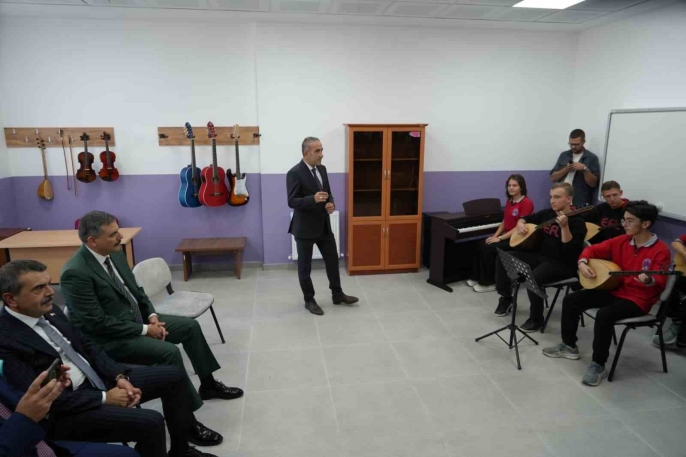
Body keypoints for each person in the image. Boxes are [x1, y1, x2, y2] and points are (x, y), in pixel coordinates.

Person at [0, 260, 218, 457]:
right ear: (11, 299)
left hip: (97, 380)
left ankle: (181, 450)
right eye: (39, 288)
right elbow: (43, 402)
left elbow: (88, 347)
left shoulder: (50, 311)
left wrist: (119, 376)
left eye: (49, 284)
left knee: (174, 376)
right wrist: (105, 398)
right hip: (69, 408)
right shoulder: (5, 340)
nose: (50, 292)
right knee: (151, 422)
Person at [60, 211, 241, 430]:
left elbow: (136, 291)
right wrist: (145, 330)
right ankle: (186, 421)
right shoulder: (75, 273)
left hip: (136, 320)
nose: (120, 237)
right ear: (92, 241)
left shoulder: (114, 254)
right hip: (109, 338)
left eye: (118, 231)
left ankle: (209, 385)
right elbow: (97, 323)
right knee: (169, 352)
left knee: (190, 327)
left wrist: (152, 317)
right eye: (113, 234)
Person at [543, 201, 671, 386]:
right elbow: (591, 249)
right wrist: (582, 262)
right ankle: (569, 346)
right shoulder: (622, 240)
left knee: (604, 315)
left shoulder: (661, 251)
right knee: (572, 300)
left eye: (629, 221)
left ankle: (598, 364)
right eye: (623, 220)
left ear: (645, 224)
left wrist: (649, 281)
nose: (624, 224)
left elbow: (659, 283)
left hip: (639, 300)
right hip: (615, 289)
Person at [493, 183, 587, 333]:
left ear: (569, 199)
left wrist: (564, 227)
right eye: (551, 197)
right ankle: (506, 298)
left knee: (533, 278)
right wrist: (521, 223)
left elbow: (570, 250)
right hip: (541, 257)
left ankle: (536, 319)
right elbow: (526, 218)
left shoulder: (577, 222)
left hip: (563, 264)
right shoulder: (548, 213)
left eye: (557, 197)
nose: (552, 201)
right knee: (504, 257)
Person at [287, 136, 358, 315]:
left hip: (324, 226)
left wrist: (331, 203)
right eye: (317, 151)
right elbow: (292, 201)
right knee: (305, 267)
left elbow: (328, 193)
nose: (321, 154)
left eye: (321, 150)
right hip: (304, 228)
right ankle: (309, 300)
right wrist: (313, 199)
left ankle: (337, 294)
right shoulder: (294, 173)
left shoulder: (322, 169)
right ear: (306, 153)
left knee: (333, 261)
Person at [1, 370, 140, 457]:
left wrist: (49, 393)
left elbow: (88, 348)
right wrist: (25, 418)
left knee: (128, 454)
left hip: (44, 443)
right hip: (20, 441)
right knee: (147, 422)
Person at [468, 174, 534, 293]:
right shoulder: (510, 201)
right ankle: (476, 277)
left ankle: (489, 283)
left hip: (517, 240)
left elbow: (518, 227)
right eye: (509, 185)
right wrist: (495, 236)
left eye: (515, 185)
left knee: (488, 248)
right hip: (506, 236)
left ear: (521, 187)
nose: (511, 188)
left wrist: (500, 238)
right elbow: (504, 221)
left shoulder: (526, 203)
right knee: (481, 243)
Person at [549, 129, 600, 208]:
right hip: (561, 200)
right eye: (571, 144)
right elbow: (553, 177)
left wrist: (584, 168)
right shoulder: (564, 155)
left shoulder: (592, 158)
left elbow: (593, 183)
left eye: (576, 144)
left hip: (580, 201)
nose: (573, 147)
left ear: (583, 142)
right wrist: (566, 169)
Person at [651, 234, 686, 348]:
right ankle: (676, 323)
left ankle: (680, 340)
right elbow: (676, 243)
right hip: (681, 275)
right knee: (672, 285)